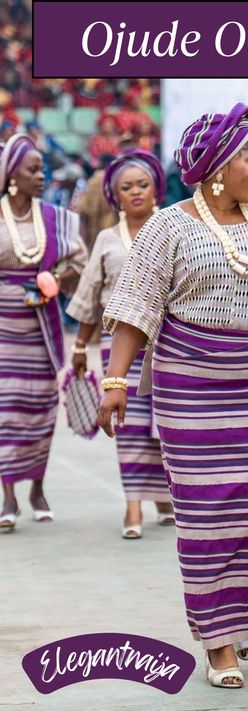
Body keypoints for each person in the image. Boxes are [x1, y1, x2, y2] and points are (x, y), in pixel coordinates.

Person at [98, 103, 248, 688]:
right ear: (217, 166)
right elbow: (135, 310)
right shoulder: (169, 226)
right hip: (188, 388)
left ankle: (238, 613)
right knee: (208, 516)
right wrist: (116, 381)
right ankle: (219, 639)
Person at [66, 149, 174, 539]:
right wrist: (79, 347)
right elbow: (90, 294)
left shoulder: (174, 228)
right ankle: (133, 507)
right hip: (121, 349)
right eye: (126, 187)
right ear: (115, 195)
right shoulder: (107, 239)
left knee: (164, 427)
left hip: (168, 345)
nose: (136, 192)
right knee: (128, 428)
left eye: (142, 184)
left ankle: (164, 499)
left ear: (155, 187)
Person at [0, 133, 87, 531]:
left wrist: (56, 277)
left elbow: (80, 265)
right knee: (6, 410)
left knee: (39, 408)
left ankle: (37, 487)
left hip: (40, 331)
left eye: (41, 169)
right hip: (2, 329)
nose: (42, 175)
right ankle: (9, 496)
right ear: (11, 175)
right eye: (33, 169)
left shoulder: (56, 218)